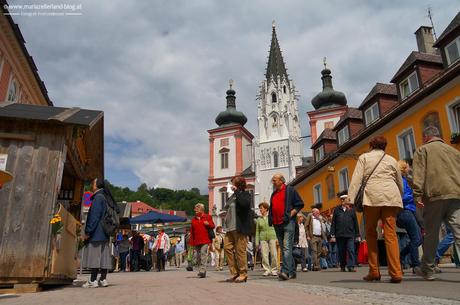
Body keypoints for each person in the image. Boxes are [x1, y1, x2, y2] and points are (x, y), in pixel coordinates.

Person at [348, 135, 404, 283]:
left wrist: (350, 199)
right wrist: (399, 198)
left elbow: (356, 179)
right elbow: (399, 182)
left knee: (371, 234)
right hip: (390, 196)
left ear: (371, 145)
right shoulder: (392, 159)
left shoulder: (364, 158)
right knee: (391, 234)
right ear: (384, 146)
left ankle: (374, 271)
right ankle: (396, 272)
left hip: (372, 197)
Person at [412, 126, 460, 281]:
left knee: (432, 234)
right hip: (455, 194)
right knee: (458, 231)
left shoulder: (423, 150)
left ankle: (428, 269)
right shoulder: (454, 151)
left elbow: (419, 173)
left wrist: (417, 195)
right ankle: (427, 268)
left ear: (426, 137)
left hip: (435, 195)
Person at [269, 173, 304, 281]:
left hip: (288, 222)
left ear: (281, 181)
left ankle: (285, 271)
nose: (273, 182)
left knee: (286, 247)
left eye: (274, 180)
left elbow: (299, 204)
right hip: (277, 223)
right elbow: (272, 208)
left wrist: (290, 214)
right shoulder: (273, 194)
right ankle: (292, 271)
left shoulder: (290, 190)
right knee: (285, 248)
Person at [82, 178, 117, 288]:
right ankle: (103, 279)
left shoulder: (98, 197)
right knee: (104, 257)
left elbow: (94, 216)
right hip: (105, 232)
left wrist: (88, 231)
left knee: (95, 257)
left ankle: (93, 280)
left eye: (93, 183)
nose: (92, 184)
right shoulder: (107, 197)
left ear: (96, 185)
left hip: (97, 231)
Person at [223, 176, 252, 283]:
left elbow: (244, 204)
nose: (231, 185)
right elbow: (225, 207)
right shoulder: (232, 196)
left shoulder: (245, 194)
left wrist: (237, 192)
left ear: (238, 185)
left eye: (233, 183)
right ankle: (234, 273)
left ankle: (243, 273)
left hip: (239, 227)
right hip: (229, 227)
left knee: (240, 251)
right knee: (227, 248)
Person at [396, 160, 422, 272]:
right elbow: (401, 198)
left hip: (409, 210)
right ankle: (415, 265)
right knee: (416, 238)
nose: (409, 168)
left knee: (418, 239)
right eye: (407, 167)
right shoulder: (400, 181)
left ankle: (400, 256)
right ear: (403, 169)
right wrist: (414, 195)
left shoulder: (404, 180)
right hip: (404, 211)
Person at [330, 194, 360, 272]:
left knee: (351, 250)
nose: (343, 201)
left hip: (350, 234)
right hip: (340, 234)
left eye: (344, 199)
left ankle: (351, 266)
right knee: (341, 251)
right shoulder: (337, 210)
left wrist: (357, 234)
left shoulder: (352, 210)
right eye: (342, 200)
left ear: (348, 200)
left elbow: (355, 223)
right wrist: (332, 234)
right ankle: (343, 266)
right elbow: (333, 223)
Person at [190, 203, 215, 278]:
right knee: (198, 256)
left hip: (205, 240)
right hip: (197, 240)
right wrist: (191, 242)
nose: (195, 210)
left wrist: (208, 224)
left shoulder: (208, 217)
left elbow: (213, 226)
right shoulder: (193, 219)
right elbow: (192, 232)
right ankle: (200, 270)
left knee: (203, 254)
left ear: (202, 209)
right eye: (195, 208)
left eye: (197, 208)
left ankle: (202, 271)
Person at [255, 202, 278, 276]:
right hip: (263, 238)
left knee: (274, 254)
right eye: (260, 209)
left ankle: (274, 269)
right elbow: (257, 231)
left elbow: (276, 227)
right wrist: (256, 243)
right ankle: (267, 270)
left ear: (266, 209)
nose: (260, 210)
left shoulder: (271, 217)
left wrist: (277, 238)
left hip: (272, 236)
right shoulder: (259, 219)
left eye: (261, 208)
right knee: (264, 255)